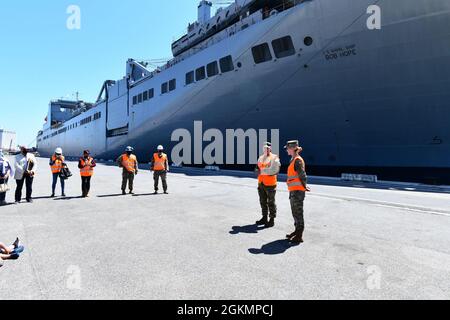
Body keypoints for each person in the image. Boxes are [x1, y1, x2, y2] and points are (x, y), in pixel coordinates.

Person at [285, 140, 310, 244]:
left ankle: (299, 235)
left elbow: (302, 175)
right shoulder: (293, 159)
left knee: (298, 213)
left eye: (287, 148)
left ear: (291, 148)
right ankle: (296, 231)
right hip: (293, 190)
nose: (286, 150)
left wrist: (304, 186)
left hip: (298, 191)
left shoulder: (297, 160)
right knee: (295, 212)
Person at [255, 142, 281, 228]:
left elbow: (276, 170)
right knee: (262, 202)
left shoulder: (274, 157)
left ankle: (272, 220)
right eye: (264, 148)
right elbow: (257, 168)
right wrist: (256, 171)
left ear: (270, 149)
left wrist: (263, 171)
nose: (265, 149)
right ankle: (264, 218)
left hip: (270, 184)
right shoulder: (260, 158)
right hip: (261, 183)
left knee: (271, 202)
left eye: (267, 148)